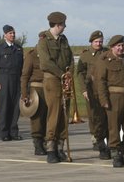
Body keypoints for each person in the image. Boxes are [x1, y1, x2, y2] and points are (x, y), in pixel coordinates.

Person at [93, 34, 124, 168]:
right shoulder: (105, 60)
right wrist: (104, 100)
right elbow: (100, 82)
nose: (121, 48)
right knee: (114, 128)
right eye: (118, 46)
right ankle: (116, 155)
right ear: (112, 47)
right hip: (114, 98)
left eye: (122, 45)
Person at [35, 11, 74, 163]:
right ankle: (51, 147)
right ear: (58, 25)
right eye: (63, 24)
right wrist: (62, 75)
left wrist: (69, 73)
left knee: (65, 114)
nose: (65, 27)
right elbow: (46, 63)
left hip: (65, 81)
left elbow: (70, 58)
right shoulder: (44, 41)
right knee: (55, 113)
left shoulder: (64, 40)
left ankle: (60, 147)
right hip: (52, 81)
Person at [77, 31, 109, 158]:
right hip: (90, 89)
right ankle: (95, 138)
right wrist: (84, 89)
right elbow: (80, 73)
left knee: (105, 115)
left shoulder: (106, 53)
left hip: (103, 89)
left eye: (100, 41)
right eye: (96, 42)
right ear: (91, 42)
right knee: (93, 115)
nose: (99, 44)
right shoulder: (85, 55)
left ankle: (105, 138)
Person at [0, 25, 24, 141]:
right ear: (5, 35)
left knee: (16, 107)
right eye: (10, 33)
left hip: (16, 79)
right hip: (4, 79)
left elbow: (22, 67)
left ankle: (13, 132)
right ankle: (4, 133)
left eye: (13, 33)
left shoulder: (19, 49)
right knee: (5, 107)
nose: (12, 35)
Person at [21, 43, 48, 155]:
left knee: (49, 117)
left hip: (49, 88)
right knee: (37, 118)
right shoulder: (31, 55)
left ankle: (47, 142)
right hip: (36, 89)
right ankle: (38, 144)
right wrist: (24, 94)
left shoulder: (49, 54)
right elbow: (25, 76)